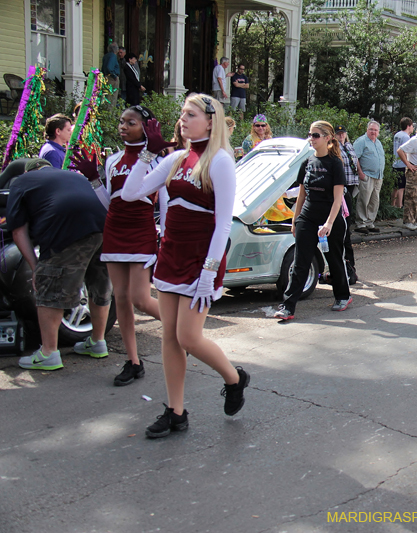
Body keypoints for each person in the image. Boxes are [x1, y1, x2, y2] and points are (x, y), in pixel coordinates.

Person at [121, 94, 249, 438]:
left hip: (200, 259)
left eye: (190, 114)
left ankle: (234, 378)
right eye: (182, 114)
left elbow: (224, 222)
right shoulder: (176, 158)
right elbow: (132, 193)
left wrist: (209, 272)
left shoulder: (220, 161)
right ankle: (175, 411)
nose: (183, 119)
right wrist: (145, 153)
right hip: (171, 254)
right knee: (170, 338)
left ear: (211, 120)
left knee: (188, 337)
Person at [71, 105, 168, 385]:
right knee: (121, 299)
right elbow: (110, 202)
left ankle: (184, 332)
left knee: (140, 298)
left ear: (146, 126)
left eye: (131, 122)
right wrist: (93, 180)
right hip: (114, 231)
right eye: (122, 121)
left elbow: (165, 201)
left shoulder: (156, 160)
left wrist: (165, 232)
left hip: (141, 231)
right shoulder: (112, 160)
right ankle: (133, 361)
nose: (123, 126)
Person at [6, 159, 111, 371]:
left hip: (65, 228)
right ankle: (98, 342)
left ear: (29, 171)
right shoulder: (72, 176)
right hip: (105, 226)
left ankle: (48, 353)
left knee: (49, 284)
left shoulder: (21, 181)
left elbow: (18, 231)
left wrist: (36, 267)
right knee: (99, 284)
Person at [270, 121, 351, 320]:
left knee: (334, 259)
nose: (311, 139)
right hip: (308, 217)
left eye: (315, 135)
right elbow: (301, 195)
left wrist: (329, 223)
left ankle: (343, 295)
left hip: (329, 218)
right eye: (310, 135)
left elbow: (338, 198)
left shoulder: (335, 164)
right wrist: (295, 220)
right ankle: (288, 307)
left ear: (327, 138)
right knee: (300, 261)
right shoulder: (307, 163)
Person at [334, 124, 360, 282]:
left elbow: (355, 161)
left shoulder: (349, 145)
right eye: (339, 133)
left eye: (343, 133)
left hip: (349, 188)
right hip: (338, 188)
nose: (341, 135)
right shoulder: (333, 148)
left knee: (345, 230)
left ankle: (349, 268)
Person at [353, 121, 385, 232]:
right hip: (366, 175)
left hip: (378, 176)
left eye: (375, 130)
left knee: (374, 201)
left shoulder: (378, 143)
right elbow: (354, 158)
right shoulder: (361, 141)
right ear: (367, 130)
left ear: (378, 132)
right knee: (364, 200)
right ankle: (361, 223)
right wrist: (360, 173)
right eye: (371, 129)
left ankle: (369, 222)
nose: (373, 132)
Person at [391, 117, 413, 209]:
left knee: (395, 186)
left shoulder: (397, 135)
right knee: (401, 187)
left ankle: (392, 205)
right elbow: (404, 151)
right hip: (402, 164)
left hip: (395, 163)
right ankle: (399, 206)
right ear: (408, 126)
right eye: (412, 126)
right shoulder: (406, 137)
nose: (412, 128)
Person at [101, 43, 121, 109]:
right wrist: (114, 75)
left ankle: (105, 112)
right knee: (112, 98)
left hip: (105, 77)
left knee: (106, 96)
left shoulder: (106, 56)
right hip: (112, 78)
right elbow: (109, 67)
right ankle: (110, 115)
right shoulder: (113, 56)